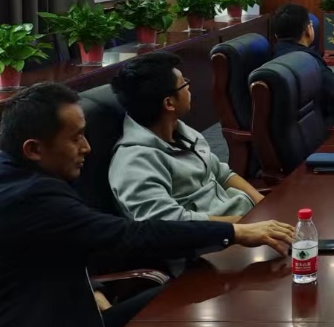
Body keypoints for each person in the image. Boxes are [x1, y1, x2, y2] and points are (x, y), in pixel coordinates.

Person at [0, 83, 296, 327]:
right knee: (192, 309)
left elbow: (55, 243)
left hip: (54, 316)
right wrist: (235, 232)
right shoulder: (26, 197)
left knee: (186, 297)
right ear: (33, 149)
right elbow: (128, 235)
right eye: (75, 137)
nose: (87, 148)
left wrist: (89, 286)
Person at [109, 52, 262, 223]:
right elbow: (169, 223)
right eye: (183, 83)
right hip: (217, 235)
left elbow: (222, 174)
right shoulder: (135, 164)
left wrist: (262, 204)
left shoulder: (180, 131)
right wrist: (243, 226)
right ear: (169, 103)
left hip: (242, 217)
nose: (189, 88)